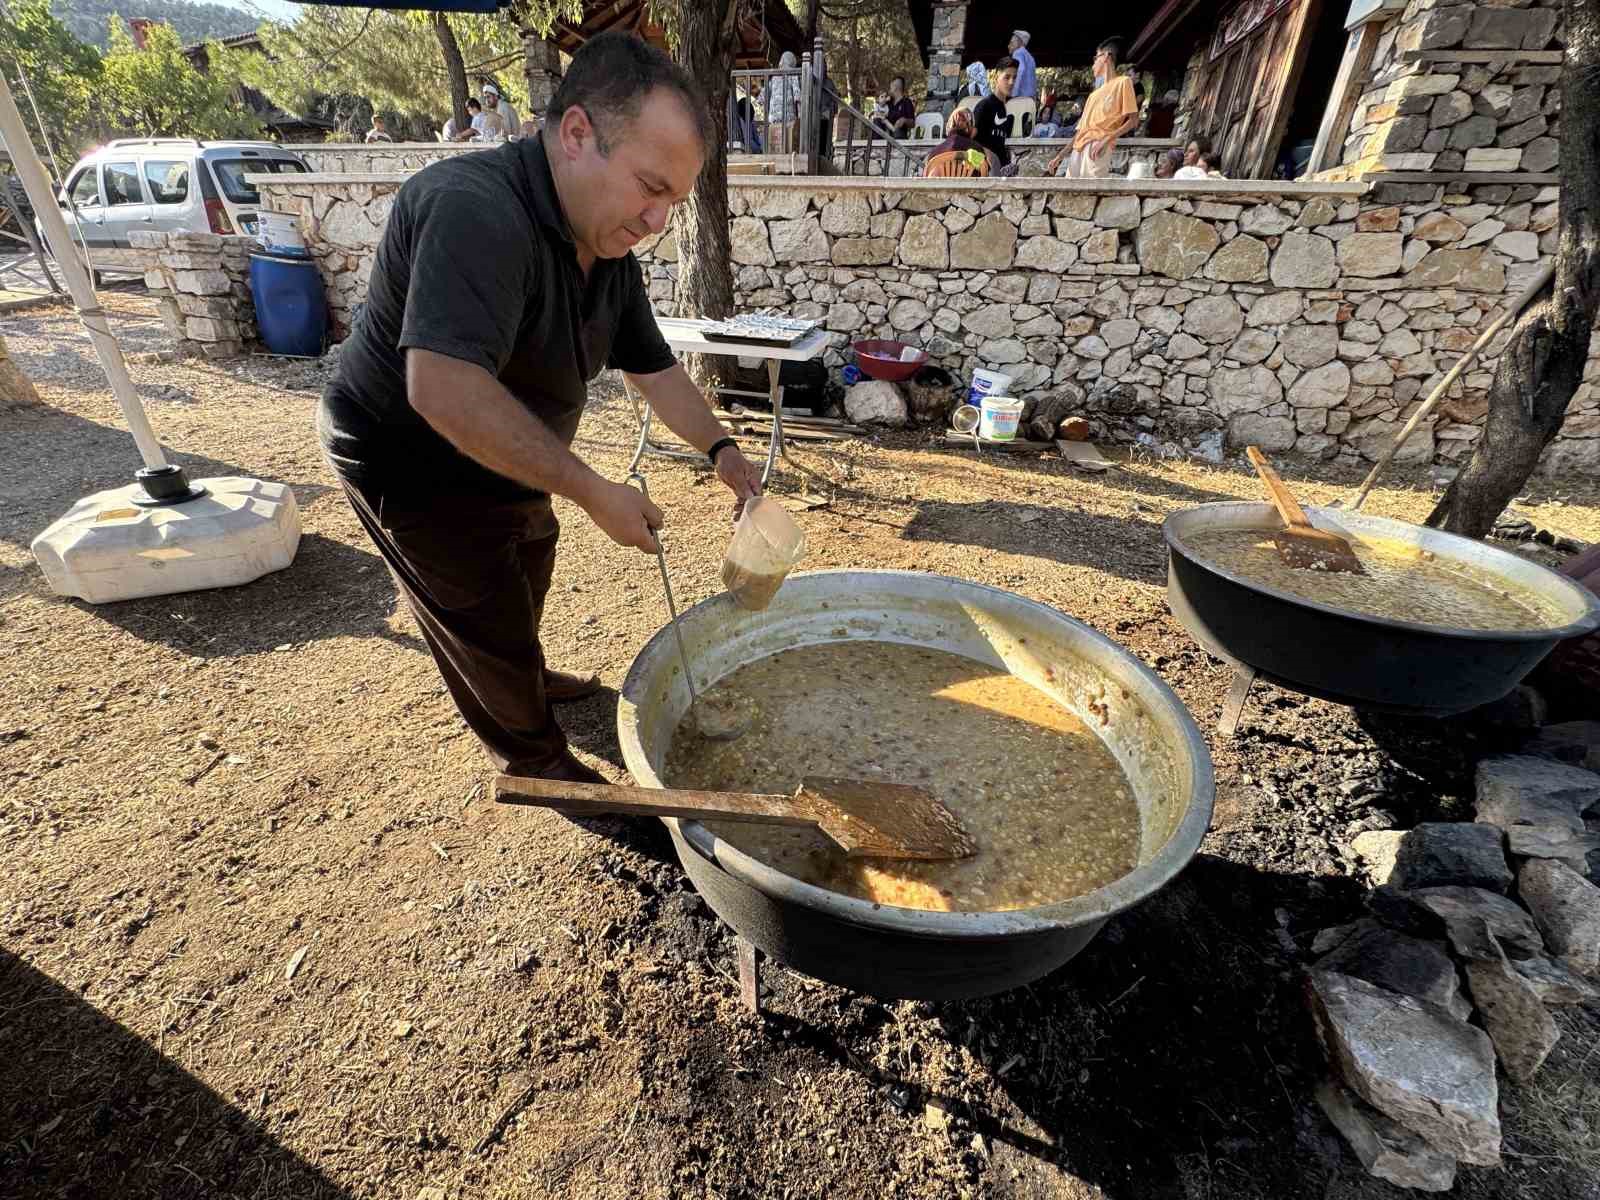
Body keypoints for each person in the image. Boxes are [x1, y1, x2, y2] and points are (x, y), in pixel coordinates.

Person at [318, 32, 763, 786]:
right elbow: (442, 388)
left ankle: (520, 671)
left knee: (530, 556)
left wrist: (723, 451)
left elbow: (655, 368)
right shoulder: (473, 209)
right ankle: (535, 760)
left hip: (508, 452)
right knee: (479, 600)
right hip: (410, 453)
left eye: (673, 202)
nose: (657, 220)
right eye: (650, 187)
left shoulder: (607, 247)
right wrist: (592, 489)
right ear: (577, 133)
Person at [1046, 37, 1138, 179]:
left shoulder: (1123, 82)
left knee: (1091, 190)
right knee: (1070, 190)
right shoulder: (1093, 95)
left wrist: (1107, 139)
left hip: (1098, 146)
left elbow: (1133, 120)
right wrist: (1060, 156)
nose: (1093, 64)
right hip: (1078, 149)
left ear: (1106, 56)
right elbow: (1080, 131)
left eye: (1096, 58)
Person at [923, 108, 999, 176]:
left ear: (949, 127)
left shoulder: (934, 153)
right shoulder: (977, 149)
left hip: (941, 188)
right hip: (970, 188)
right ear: (971, 128)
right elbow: (986, 174)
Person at [971, 57, 1016, 170]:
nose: (1011, 82)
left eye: (1014, 78)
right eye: (1007, 77)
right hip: (984, 172)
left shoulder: (1007, 110)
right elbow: (970, 143)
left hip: (1002, 172)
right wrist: (984, 168)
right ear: (996, 77)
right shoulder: (985, 106)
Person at [762, 50, 802, 153]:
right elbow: (797, 97)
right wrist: (800, 116)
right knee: (789, 145)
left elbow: (763, 97)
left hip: (773, 118)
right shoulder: (793, 74)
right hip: (788, 118)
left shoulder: (774, 76)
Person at [1008, 30, 1037, 100]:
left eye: (1012, 43)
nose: (1009, 46)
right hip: (1031, 97)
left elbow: (1020, 70)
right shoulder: (1030, 57)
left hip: (1021, 97)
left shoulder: (1018, 53)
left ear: (1020, 43)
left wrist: (1013, 94)